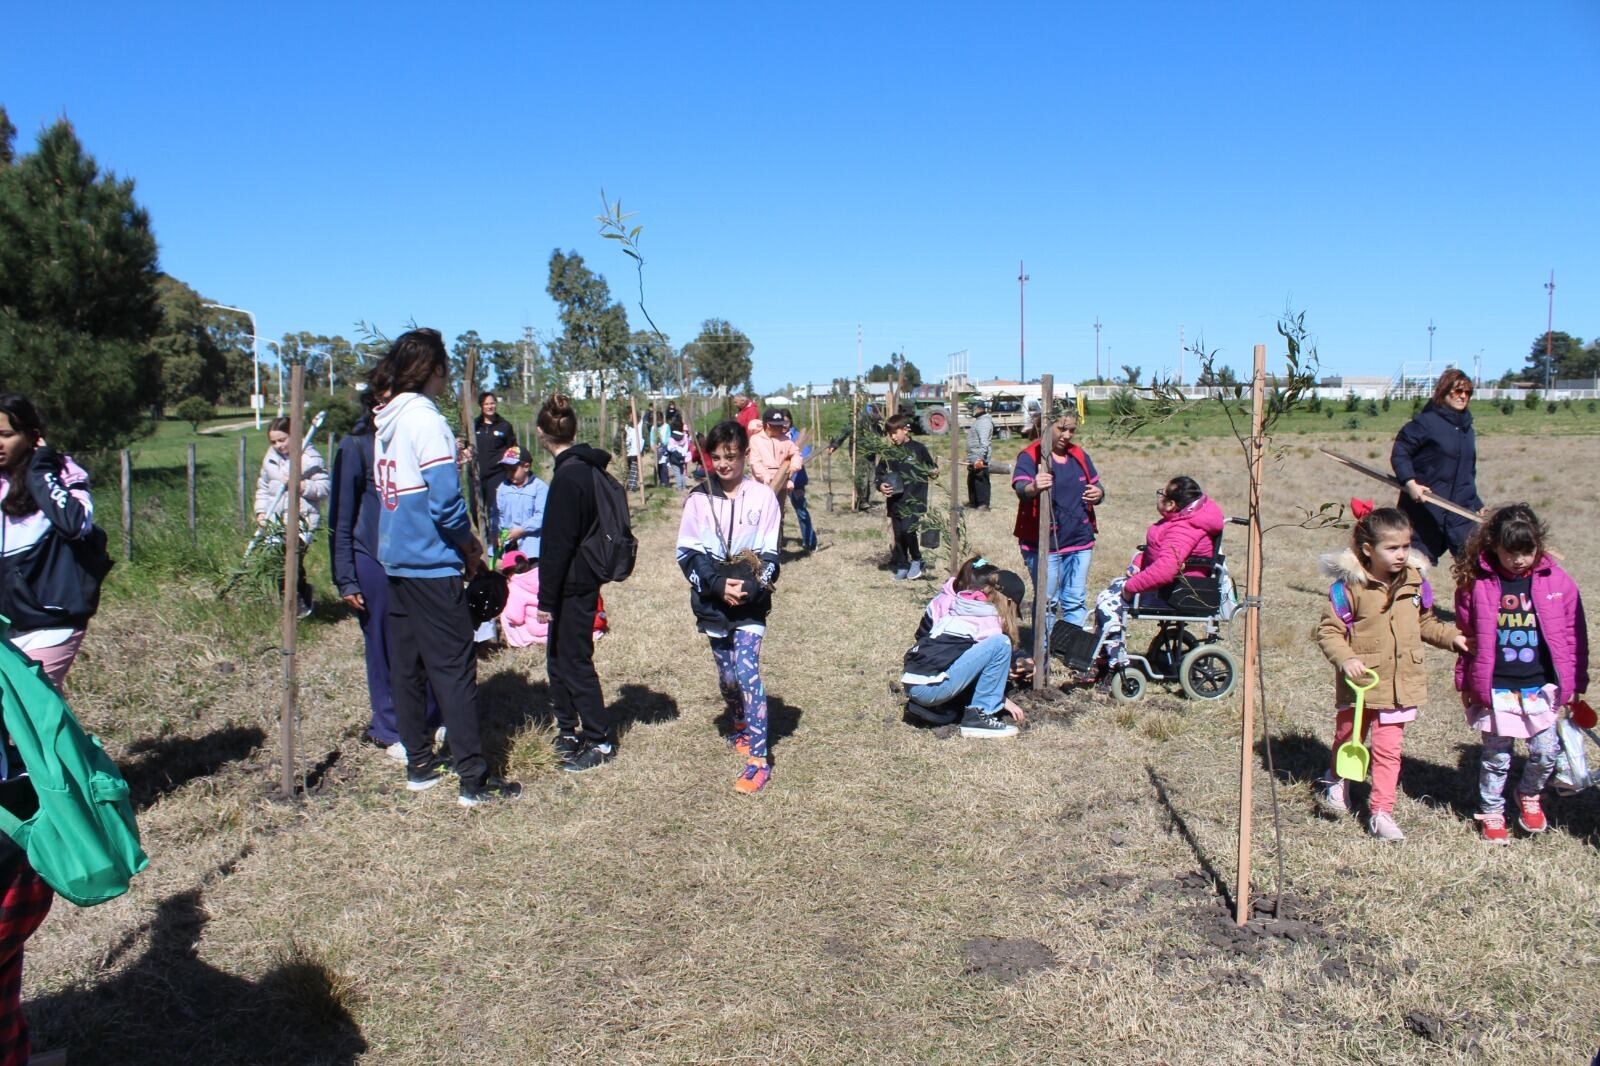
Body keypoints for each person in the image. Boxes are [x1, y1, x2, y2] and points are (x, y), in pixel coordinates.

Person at [373, 328, 521, 807]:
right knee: (455, 670)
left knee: (408, 668)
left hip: (395, 561)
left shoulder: (385, 422)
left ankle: (419, 762)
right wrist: (469, 546)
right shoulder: (425, 421)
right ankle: (473, 778)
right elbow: (444, 503)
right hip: (432, 563)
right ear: (436, 370)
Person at [1312, 504, 1466, 841]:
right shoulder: (1351, 587)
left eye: (1406, 546)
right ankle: (1338, 779)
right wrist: (1346, 659)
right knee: (1348, 737)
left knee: (1388, 750)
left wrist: (1452, 638)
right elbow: (1329, 632)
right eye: (1392, 548)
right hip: (1361, 685)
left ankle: (1381, 811)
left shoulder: (1413, 581)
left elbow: (1424, 622)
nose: (1401, 555)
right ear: (1368, 550)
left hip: (1399, 685)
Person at [1451, 504, 1588, 843]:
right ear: (1493, 545)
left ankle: (1528, 794)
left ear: (1538, 545)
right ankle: (1492, 811)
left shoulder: (1558, 583)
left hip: (1540, 686)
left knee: (1545, 752)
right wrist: (1465, 681)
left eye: (1527, 552)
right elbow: (1466, 638)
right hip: (1497, 687)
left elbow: (1574, 636)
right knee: (1496, 756)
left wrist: (1576, 683)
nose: (1519, 560)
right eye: (1510, 552)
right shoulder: (1476, 584)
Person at [329, 379, 442, 760]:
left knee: (421, 642)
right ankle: (391, 727)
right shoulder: (355, 445)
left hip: (412, 555)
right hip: (373, 560)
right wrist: (345, 574)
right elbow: (341, 515)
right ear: (376, 401)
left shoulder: (407, 438)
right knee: (383, 646)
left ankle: (428, 715)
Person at [676, 420, 783, 793]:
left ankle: (758, 759)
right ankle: (738, 721)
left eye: (731, 457)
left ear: (745, 456)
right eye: (717, 457)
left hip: (750, 603)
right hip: (712, 601)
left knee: (747, 669)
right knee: (728, 676)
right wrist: (718, 584)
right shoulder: (698, 499)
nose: (723, 464)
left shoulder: (763, 498)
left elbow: (771, 555)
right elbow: (686, 554)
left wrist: (750, 587)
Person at [534, 394, 619, 772]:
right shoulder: (584, 467)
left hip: (573, 583)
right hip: (580, 579)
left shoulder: (569, 476)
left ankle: (599, 741)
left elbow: (557, 545)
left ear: (541, 433)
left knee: (574, 661)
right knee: (558, 658)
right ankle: (568, 729)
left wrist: (545, 599)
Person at [0, 394, 106, 686]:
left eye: (6, 435)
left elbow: (74, 523)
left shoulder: (59, 471)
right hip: (6, 625)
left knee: (36, 706)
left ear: (33, 436)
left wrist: (41, 470)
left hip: (51, 620)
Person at [1090, 477, 1225, 669]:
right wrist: (1138, 563)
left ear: (1171, 504)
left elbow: (1165, 570)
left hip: (1177, 592)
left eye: (1163, 493)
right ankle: (1104, 654)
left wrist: (1131, 586)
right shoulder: (1182, 518)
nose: (1159, 495)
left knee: (1109, 604)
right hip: (1173, 586)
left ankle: (1115, 666)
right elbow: (1157, 550)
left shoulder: (1184, 528)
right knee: (1111, 590)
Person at [901, 556, 1031, 738]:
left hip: (914, 682)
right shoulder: (989, 624)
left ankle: (938, 707)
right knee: (1001, 644)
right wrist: (1001, 700)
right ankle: (979, 717)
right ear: (1009, 603)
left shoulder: (963, 606)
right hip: (929, 688)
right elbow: (978, 674)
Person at [1011, 408, 1104, 637]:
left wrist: (1099, 494)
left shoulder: (1078, 455)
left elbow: (1098, 486)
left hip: (1080, 541)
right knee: (1047, 600)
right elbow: (1021, 490)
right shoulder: (1031, 456)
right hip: (1045, 545)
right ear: (1046, 427)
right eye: (1062, 429)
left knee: (1075, 599)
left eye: (1072, 430)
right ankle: (1043, 648)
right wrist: (1034, 486)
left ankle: (1070, 648)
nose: (1068, 435)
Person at [1390, 368, 1483, 564]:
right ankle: (1406, 596)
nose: (1463, 396)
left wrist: (1476, 504)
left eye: (1467, 392)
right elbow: (1401, 452)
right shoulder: (1425, 423)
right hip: (1426, 507)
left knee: (1474, 566)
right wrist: (1410, 483)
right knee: (1414, 568)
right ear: (1444, 391)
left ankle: (1471, 596)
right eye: (1458, 391)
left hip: (1460, 510)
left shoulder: (1467, 430)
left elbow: (1467, 473)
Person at [254, 415, 330, 618]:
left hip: (302, 520)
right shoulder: (271, 458)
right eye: (273, 442)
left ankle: (298, 601)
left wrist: (302, 486)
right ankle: (292, 601)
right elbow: (263, 488)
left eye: (282, 439)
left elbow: (324, 488)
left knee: (290, 561)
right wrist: (260, 512)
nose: (278, 445)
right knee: (275, 563)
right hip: (275, 520)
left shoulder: (309, 457)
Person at [498, 550, 608, 648]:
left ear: (508, 573)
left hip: (539, 629)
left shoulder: (514, 587)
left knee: (506, 616)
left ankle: (524, 642)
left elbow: (516, 618)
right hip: (563, 622)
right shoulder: (547, 573)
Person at [875, 413, 935, 580]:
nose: (893, 437)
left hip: (915, 499)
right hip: (895, 501)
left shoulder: (919, 449)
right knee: (898, 534)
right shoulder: (889, 453)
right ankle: (902, 564)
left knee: (909, 530)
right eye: (890, 434)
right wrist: (880, 485)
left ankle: (916, 559)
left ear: (905, 430)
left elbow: (931, 467)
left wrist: (934, 471)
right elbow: (879, 474)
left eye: (895, 433)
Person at [473, 391, 518, 539]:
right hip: (477, 475)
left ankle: (497, 542)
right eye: (486, 404)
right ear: (481, 406)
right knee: (476, 511)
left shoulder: (504, 426)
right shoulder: (474, 426)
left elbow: (513, 449)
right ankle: (484, 541)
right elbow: (467, 446)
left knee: (495, 510)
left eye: (492, 403)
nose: (490, 406)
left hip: (497, 474)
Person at [493, 446, 547, 560]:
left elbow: (542, 516)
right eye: (506, 470)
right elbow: (498, 514)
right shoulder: (503, 488)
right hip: (508, 546)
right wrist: (497, 534)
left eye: (513, 470)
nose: (509, 474)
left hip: (532, 548)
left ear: (526, 467)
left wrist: (522, 529)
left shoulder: (539, 488)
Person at [783, 411, 818, 551]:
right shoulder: (775, 436)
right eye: (782, 422)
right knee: (776, 513)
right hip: (778, 481)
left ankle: (810, 541)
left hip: (796, 480)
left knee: (801, 511)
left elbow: (805, 453)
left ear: (790, 421)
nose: (784, 425)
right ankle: (776, 544)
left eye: (787, 421)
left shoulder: (797, 436)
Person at [965, 398, 995, 511]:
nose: (970, 411)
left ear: (979, 408)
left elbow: (984, 443)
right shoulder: (979, 421)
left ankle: (983, 505)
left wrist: (980, 459)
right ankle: (974, 503)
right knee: (972, 481)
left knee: (981, 481)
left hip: (979, 459)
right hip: (973, 458)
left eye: (972, 408)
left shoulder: (984, 422)